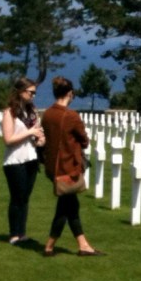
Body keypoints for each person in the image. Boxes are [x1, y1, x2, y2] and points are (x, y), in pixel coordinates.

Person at [41, 76, 104, 257]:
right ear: (70, 93)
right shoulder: (71, 116)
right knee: (65, 208)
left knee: (71, 206)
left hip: (53, 166)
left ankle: (83, 245)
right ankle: (49, 246)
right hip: (68, 167)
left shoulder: (48, 114)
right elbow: (84, 141)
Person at [2, 78, 45, 245]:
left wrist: (40, 140)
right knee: (17, 197)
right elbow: (8, 139)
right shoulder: (10, 112)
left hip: (31, 158)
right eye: (30, 92)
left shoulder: (32, 111)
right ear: (20, 92)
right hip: (15, 160)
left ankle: (22, 233)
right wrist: (30, 132)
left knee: (25, 198)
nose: (33, 95)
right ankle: (14, 234)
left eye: (35, 93)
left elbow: (37, 134)